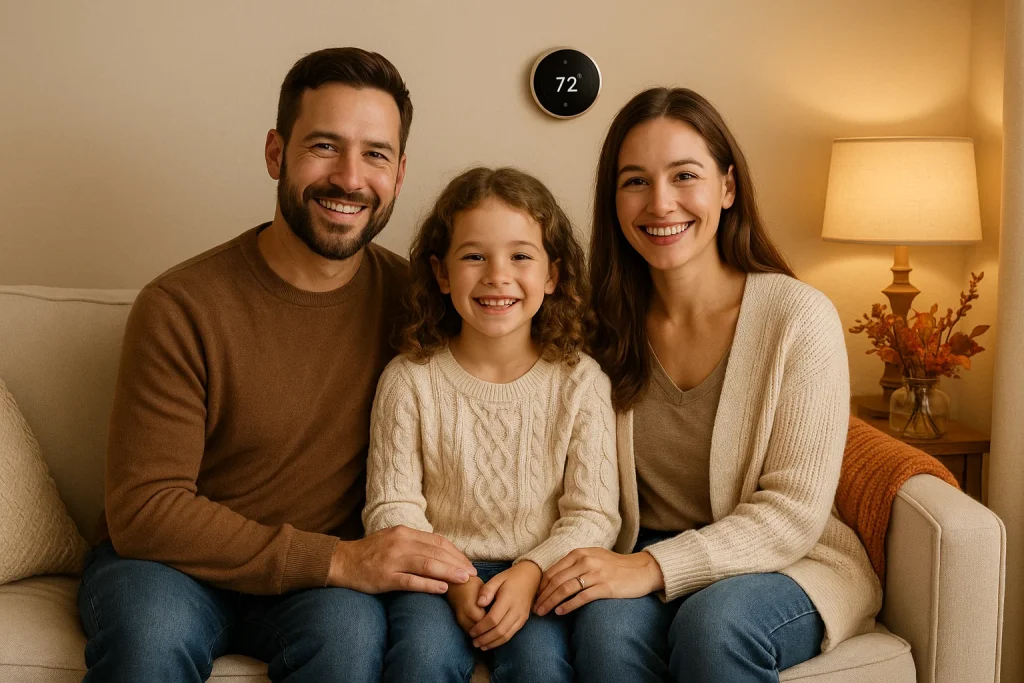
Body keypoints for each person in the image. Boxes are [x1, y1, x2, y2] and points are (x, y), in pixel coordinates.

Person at [77, 48, 478, 683]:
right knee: (151, 633)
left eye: (375, 154)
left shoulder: (419, 305)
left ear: (400, 173)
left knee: (349, 635)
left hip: (317, 591)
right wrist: (338, 562)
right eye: (324, 145)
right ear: (275, 153)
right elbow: (146, 509)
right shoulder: (181, 306)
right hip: (167, 568)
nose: (349, 178)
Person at [532, 88, 882, 682]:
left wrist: (651, 567)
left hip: (789, 563)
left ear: (727, 187)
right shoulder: (594, 323)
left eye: (684, 175)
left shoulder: (797, 317)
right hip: (638, 554)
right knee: (604, 631)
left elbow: (795, 513)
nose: (660, 203)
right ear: (613, 201)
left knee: (715, 624)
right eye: (635, 181)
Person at [363, 166, 621, 683]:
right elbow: (391, 507)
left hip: (537, 572)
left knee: (541, 667)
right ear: (441, 274)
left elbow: (593, 515)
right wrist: (457, 578)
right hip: (434, 578)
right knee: (419, 662)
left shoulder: (580, 382)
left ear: (551, 275)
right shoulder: (409, 379)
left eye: (520, 256)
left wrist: (530, 573)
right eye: (474, 256)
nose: (496, 275)